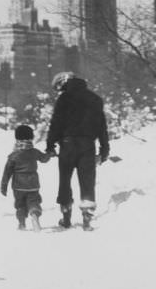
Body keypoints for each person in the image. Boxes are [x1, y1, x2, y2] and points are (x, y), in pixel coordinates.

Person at [45, 71, 110, 231]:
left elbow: (56, 124)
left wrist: (50, 145)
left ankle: (66, 216)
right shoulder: (95, 99)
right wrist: (104, 149)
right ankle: (87, 217)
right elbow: (102, 127)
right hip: (88, 145)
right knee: (87, 181)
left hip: (67, 145)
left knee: (65, 181)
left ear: (63, 83)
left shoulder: (64, 99)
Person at [0, 124, 51, 231]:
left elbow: (7, 172)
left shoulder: (13, 155)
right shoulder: (34, 152)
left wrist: (4, 186)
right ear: (31, 137)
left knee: (20, 205)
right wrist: (50, 153)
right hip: (33, 184)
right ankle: (34, 214)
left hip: (18, 186)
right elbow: (44, 159)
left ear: (17, 137)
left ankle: (22, 223)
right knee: (34, 201)